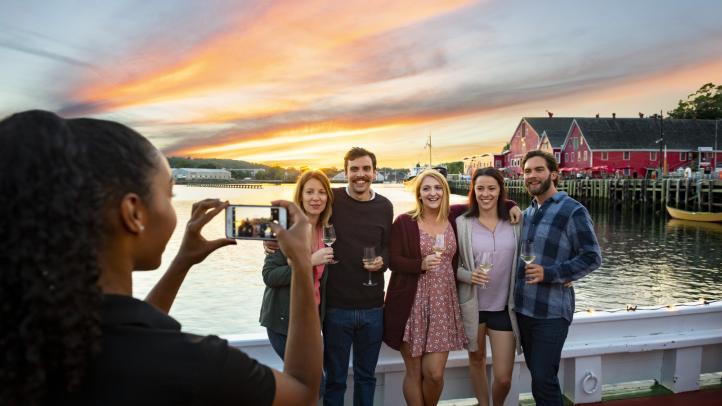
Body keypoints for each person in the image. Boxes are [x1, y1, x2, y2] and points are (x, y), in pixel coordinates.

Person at [0, 110, 322, 406]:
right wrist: (301, 263)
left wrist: (183, 261)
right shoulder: (190, 362)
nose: (172, 207)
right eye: (170, 193)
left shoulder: (30, 331)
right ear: (133, 213)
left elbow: (127, 329)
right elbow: (301, 390)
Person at [515, 150, 602, 405]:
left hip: (551, 312)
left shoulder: (572, 210)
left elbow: (592, 257)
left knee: (544, 379)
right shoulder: (527, 214)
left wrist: (551, 273)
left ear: (553, 174)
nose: (532, 175)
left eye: (538, 170)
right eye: (527, 171)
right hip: (523, 310)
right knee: (537, 378)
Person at [384, 169, 467, 406]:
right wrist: (419, 264)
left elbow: (485, 200)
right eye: (426, 188)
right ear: (419, 193)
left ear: (445, 191)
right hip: (411, 304)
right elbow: (393, 260)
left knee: (434, 374)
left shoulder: (454, 217)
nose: (433, 193)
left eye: (438, 187)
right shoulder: (404, 222)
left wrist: (511, 204)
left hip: (443, 304)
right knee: (413, 372)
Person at [322, 147, 393, 406]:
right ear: (345, 172)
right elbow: (299, 213)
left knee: (366, 378)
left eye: (365, 169)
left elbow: (388, 247)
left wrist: (382, 261)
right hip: (335, 309)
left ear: (374, 172)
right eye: (354, 169)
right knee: (335, 380)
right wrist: (271, 239)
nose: (360, 175)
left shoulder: (385, 206)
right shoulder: (331, 198)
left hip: (373, 309)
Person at [455, 167, 523, 406]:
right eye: (480, 188)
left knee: (504, 378)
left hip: (505, 307)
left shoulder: (516, 221)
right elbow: (450, 265)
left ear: (500, 191)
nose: (486, 194)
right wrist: (467, 275)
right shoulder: (461, 223)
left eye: (492, 188)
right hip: (473, 306)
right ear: (473, 191)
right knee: (477, 360)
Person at [260, 169, 334, 360]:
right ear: (300, 196)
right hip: (284, 321)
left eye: (321, 192)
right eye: (309, 192)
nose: (316, 198)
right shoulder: (285, 228)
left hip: (311, 321)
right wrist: (308, 262)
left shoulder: (327, 230)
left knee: (312, 382)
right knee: (314, 382)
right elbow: (269, 276)